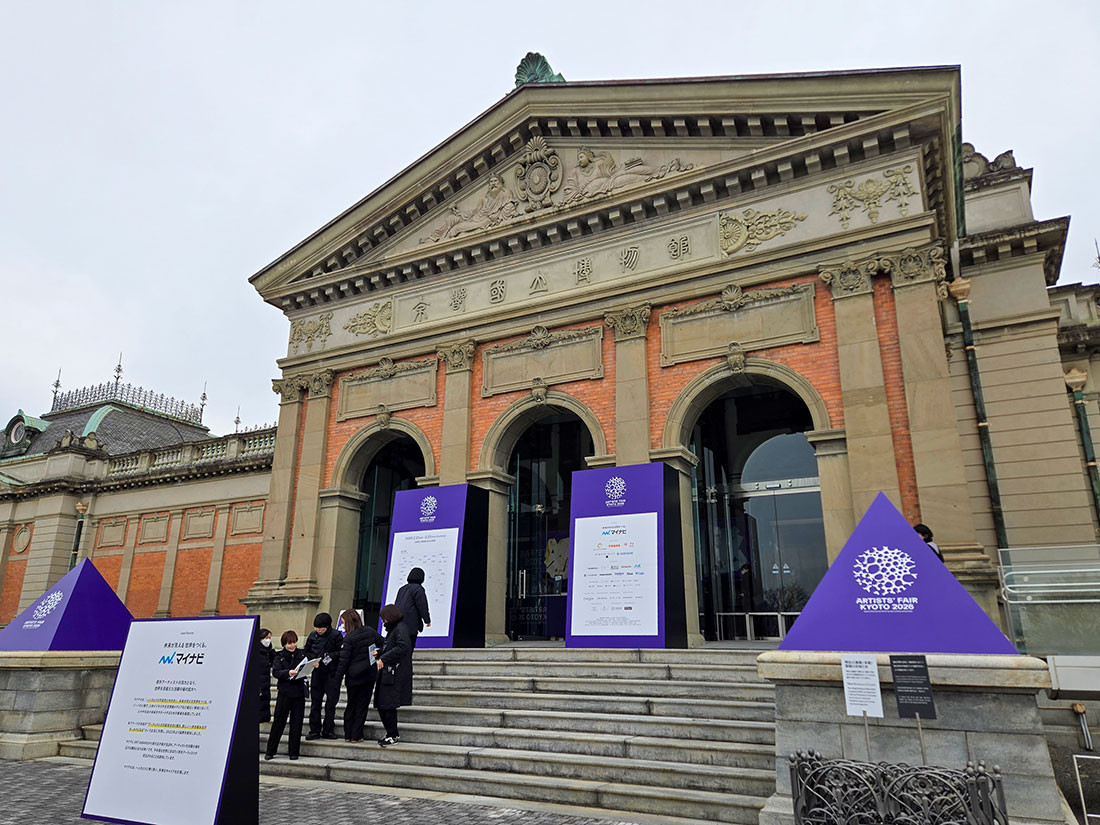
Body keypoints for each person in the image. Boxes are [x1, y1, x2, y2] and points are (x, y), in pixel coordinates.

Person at [333, 609, 384, 743]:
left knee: (351, 705)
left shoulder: (348, 639)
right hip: (368, 674)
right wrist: (378, 653)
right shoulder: (369, 631)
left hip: (353, 676)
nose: (343, 626)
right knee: (362, 706)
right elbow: (383, 643)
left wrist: (337, 680)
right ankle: (356, 735)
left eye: (343, 622)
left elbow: (343, 662)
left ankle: (348, 734)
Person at [374, 604, 413, 747]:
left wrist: (384, 658)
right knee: (382, 704)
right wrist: (380, 653)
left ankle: (393, 734)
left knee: (387, 704)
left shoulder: (400, 628)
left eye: (384, 618)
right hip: (388, 672)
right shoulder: (393, 630)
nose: (383, 622)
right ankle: (390, 733)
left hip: (394, 672)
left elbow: (403, 647)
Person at [264, 630, 306, 761]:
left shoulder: (302, 654)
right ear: (284, 644)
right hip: (285, 692)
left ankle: (294, 752)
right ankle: (270, 751)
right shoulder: (279, 656)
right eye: (289, 643)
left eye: (293, 643)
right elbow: (276, 672)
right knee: (279, 722)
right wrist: (288, 673)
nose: (292, 646)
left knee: (297, 723)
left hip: (299, 692)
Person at [304, 612, 343, 740]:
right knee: (315, 703)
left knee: (330, 704)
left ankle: (328, 730)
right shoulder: (313, 635)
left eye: (321, 628)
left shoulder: (336, 635)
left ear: (327, 626)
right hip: (317, 672)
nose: (318, 630)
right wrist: (312, 660)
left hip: (331, 673)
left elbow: (342, 652)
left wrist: (330, 656)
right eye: (316, 628)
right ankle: (314, 730)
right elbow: (306, 650)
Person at [394, 567, 431, 649]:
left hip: (398, 622)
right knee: (409, 646)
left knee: (400, 645)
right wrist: (427, 620)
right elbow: (422, 606)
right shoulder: (418, 589)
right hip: (411, 622)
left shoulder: (402, 588)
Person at [254, 627, 274, 724]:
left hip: (265, 686)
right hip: (259, 687)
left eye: (269, 638)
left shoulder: (269, 652)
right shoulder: (256, 653)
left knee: (262, 714)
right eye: (266, 638)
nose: (268, 640)